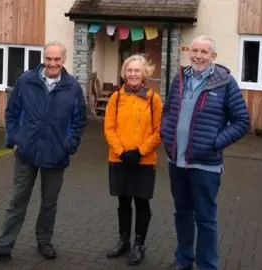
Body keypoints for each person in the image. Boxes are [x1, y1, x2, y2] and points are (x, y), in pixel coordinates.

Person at [0, 40, 87, 266]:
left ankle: (44, 240)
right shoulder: (26, 81)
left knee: (49, 202)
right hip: (27, 152)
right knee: (17, 201)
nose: (52, 63)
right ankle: (3, 247)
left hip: (56, 154)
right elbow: (12, 112)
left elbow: (79, 120)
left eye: (57, 59)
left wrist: (69, 144)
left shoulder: (72, 87)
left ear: (63, 60)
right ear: (43, 59)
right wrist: (14, 139)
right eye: (49, 58)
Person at [161, 35, 250, 270]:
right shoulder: (179, 79)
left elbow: (241, 121)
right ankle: (184, 260)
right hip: (176, 161)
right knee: (182, 213)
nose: (198, 55)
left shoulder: (224, 82)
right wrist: (166, 134)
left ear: (213, 57)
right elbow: (168, 110)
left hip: (206, 166)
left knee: (206, 219)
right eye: (195, 50)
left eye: (204, 52)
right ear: (189, 51)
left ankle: (207, 266)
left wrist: (215, 142)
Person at [103, 54, 163, 266]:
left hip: (144, 161)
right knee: (123, 201)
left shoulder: (153, 99)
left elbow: (159, 131)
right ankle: (123, 241)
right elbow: (109, 129)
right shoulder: (116, 98)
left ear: (144, 73)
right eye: (129, 70)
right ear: (124, 73)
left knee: (142, 202)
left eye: (137, 70)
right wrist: (121, 152)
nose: (133, 74)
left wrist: (140, 151)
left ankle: (139, 244)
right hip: (119, 159)